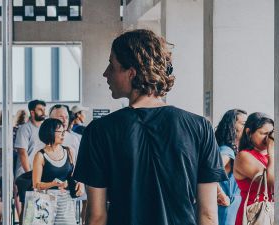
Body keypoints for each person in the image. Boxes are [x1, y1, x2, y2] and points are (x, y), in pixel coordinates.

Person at [73, 29, 226, 225]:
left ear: (131, 72)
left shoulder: (99, 131)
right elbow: (208, 215)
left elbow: (96, 217)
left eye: (112, 65)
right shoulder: (200, 128)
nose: (105, 73)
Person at [32, 118, 83, 224]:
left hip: (65, 202)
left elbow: (74, 176)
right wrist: (53, 184)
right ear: (50, 132)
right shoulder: (40, 155)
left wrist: (79, 183)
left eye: (64, 132)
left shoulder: (69, 151)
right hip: (45, 202)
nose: (63, 135)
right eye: (60, 132)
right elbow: (36, 185)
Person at [233, 112, 275, 225]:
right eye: (264, 133)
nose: (268, 138)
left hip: (271, 213)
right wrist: (272, 150)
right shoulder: (243, 156)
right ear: (248, 132)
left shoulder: (270, 156)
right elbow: (272, 182)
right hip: (254, 216)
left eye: (270, 133)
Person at [214, 109, 247, 225]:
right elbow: (211, 172)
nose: (247, 127)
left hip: (231, 206)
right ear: (232, 126)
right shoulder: (227, 151)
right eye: (243, 123)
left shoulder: (232, 150)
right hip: (227, 207)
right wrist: (221, 195)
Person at [14, 99, 46, 176]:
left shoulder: (45, 128)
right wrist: (29, 175)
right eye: (40, 110)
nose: (44, 113)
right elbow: (22, 154)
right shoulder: (24, 129)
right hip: (25, 173)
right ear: (32, 112)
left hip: (39, 173)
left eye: (44, 110)